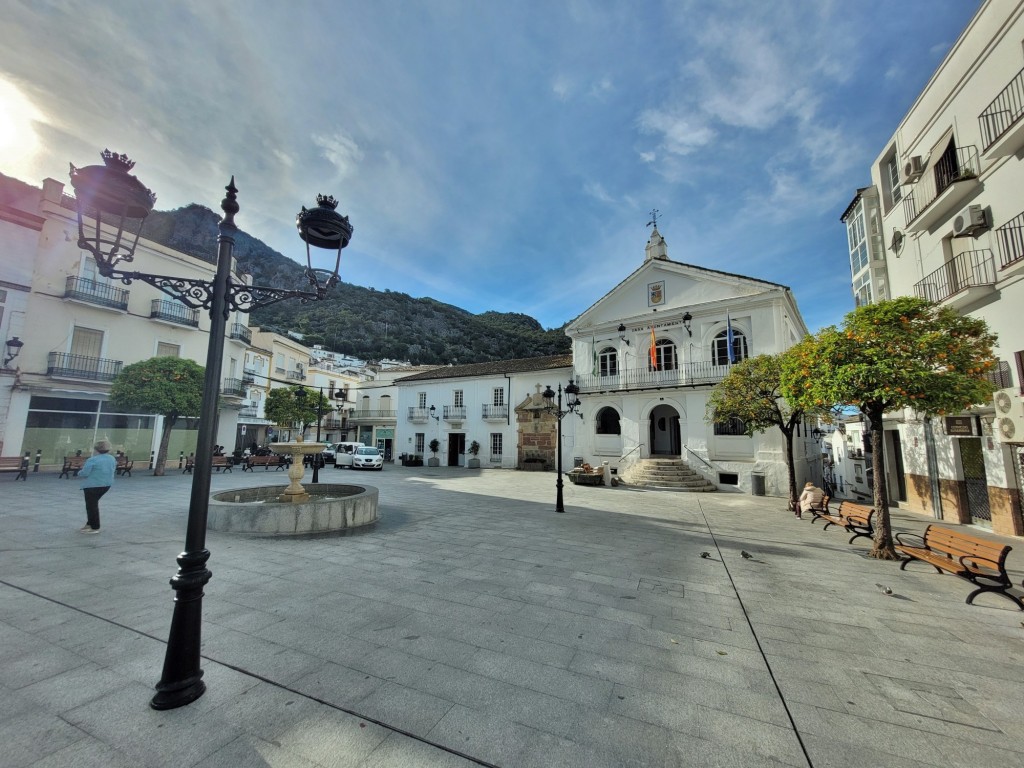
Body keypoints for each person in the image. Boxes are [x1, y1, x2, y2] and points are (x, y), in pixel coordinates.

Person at [78, 439, 117, 533]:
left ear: (96, 449)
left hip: (92, 485)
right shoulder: (112, 458)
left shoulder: (92, 460)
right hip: (107, 484)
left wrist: (79, 472)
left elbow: (85, 473)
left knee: (91, 506)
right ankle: (89, 524)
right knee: (93, 504)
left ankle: (95, 527)